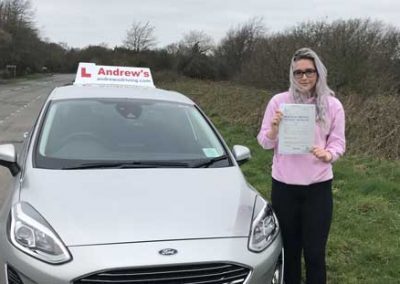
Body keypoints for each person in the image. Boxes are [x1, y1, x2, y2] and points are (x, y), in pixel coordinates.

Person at [257, 47, 345, 284]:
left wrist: (329, 154)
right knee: (290, 252)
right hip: (284, 187)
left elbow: (338, 142)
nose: (304, 77)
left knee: (315, 253)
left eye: (309, 71)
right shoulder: (279, 101)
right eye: (298, 73)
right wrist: (274, 130)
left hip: (318, 188)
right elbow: (264, 142)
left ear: (319, 73)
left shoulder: (333, 105)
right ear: (292, 75)